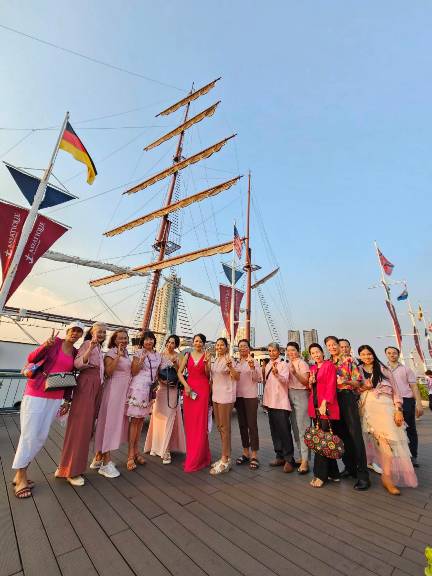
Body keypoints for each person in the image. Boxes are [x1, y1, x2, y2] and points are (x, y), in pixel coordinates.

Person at [12, 322, 84, 498]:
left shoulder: (75, 353)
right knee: (29, 435)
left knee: (41, 436)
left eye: (79, 332)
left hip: (55, 397)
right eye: (73, 330)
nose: (75, 334)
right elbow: (31, 358)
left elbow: (70, 376)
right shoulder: (54, 344)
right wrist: (45, 345)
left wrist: (67, 400)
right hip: (36, 393)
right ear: (67, 331)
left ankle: (20, 473)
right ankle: (20, 476)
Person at [358, 345, 417, 494]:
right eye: (363, 354)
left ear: (373, 354)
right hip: (369, 409)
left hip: (387, 408)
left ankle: (386, 475)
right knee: (382, 444)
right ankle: (387, 477)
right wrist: (364, 387)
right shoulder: (357, 370)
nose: (367, 357)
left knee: (391, 443)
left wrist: (398, 410)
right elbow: (354, 390)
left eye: (369, 354)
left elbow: (396, 391)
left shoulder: (383, 369)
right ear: (359, 356)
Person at [56, 322, 107, 486]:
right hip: (87, 385)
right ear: (92, 332)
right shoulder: (88, 344)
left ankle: (66, 466)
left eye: (104, 332)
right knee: (80, 428)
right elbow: (77, 364)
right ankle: (71, 470)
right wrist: (90, 348)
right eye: (99, 331)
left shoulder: (99, 348)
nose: (101, 334)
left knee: (86, 428)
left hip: (95, 386)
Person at [325, 336, 370, 490]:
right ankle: (350, 468)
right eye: (329, 345)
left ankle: (363, 475)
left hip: (347, 397)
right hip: (333, 401)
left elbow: (358, 382)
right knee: (341, 436)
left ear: (339, 346)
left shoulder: (349, 361)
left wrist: (345, 381)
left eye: (334, 344)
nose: (332, 347)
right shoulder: (327, 363)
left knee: (355, 436)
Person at [92, 329, 131, 478]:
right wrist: (118, 356)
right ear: (114, 340)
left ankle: (98, 457)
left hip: (122, 392)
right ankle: (106, 462)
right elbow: (108, 372)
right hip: (113, 391)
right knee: (109, 424)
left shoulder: (126, 353)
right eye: (120, 338)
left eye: (125, 338)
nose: (123, 340)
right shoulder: (111, 353)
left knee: (112, 423)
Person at [144, 334, 186, 464]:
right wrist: (161, 381)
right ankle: (155, 446)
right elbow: (155, 372)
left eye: (173, 343)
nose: (170, 344)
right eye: (169, 342)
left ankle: (166, 449)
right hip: (161, 389)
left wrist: (175, 365)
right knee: (158, 418)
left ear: (176, 345)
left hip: (172, 390)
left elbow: (181, 374)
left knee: (169, 419)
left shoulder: (179, 357)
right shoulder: (160, 355)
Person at [125, 330, 162, 471]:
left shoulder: (158, 355)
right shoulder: (138, 353)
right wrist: (140, 361)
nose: (149, 341)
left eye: (151, 339)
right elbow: (134, 371)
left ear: (154, 341)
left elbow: (158, 372)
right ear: (142, 341)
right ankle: (130, 455)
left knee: (140, 422)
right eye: (146, 339)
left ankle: (136, 452)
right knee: (135, 421)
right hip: (138, 388)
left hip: (149, 390)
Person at [177, 333, 212, 472]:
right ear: (193, 342)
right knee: (190, 424)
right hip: (189, 391)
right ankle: (192, 454)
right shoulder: (187, 355)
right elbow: (179, 373)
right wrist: (186, 386)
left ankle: (200, 456)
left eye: (200, 342)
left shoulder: (207, 356)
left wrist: (207, 364)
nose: (198, 343)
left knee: (201, 423)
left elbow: (208, 375)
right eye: (196, 341)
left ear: (203, 343)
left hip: (202, 390)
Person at [308, 343, 340, 488]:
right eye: (313, 353)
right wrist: (311, 382)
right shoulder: (313, 368)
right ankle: (334, 473)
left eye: (317, 351)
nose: (316, 355)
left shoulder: (329, 365)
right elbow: (312, 389)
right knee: (325, 439)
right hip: (315, 408)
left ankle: (320, 475)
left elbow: (331, 385)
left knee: (321, 441)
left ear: (322, 352)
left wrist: (324, 403)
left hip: (326, 408)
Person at [385, 346, 424, 467]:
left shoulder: (406, 369)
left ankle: (413, 456)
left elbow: (414, 387)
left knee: (410, 429)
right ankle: (398, 457)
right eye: (389, 353)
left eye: (394, 353)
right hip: (389, 402)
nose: (392, 355)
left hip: (406, 401)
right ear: (386, 355)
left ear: (398, 354)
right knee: (393, 430)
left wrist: (419, 404)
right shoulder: (382, 369)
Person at [263, 342, 295, 473]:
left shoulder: (284, 364)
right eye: (269, 351)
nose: (272, 353)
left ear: (279, 351)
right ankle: (279, 456)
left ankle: (289, 459)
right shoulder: (267, 365)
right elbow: (266, 384)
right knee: (274, 431)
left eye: (274, 351)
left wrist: (277, 374)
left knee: (284, 431)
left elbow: (286, 381)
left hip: (281, 402)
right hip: (270, 402)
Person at [210, 337, 239, 475]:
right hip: (216, 396)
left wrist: (231, 367)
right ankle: (226, 455)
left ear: (226, 347)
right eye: (218, 345)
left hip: (226, 397)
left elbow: (237, 377)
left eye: (222, 345)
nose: (219, 347)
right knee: (220, 427)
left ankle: (225, 459)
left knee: (225, 428)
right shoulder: (216, 360)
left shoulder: (230, 359)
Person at [234, 339, 262, 470]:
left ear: (249, 348)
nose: (242, 348)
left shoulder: (253, 361)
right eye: (240, 346)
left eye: (245, 346)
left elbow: (258, 379)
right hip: (239, 396)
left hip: (250, 396)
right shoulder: (236, 363)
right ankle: (245, 452)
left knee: (252, 425)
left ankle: (254, 455)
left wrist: (252, 368)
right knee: (242, 425)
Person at [286, 341, 311, 474]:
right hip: (290, 394)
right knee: (295, 428)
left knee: (303, 428)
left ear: (298, 351)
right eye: (288, 350)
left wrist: (295, 373)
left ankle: (306, 461)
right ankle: (302, 456)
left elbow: (306, 382)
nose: (290, 352)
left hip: (301, 394)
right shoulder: (287, 363)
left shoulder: (302, 363)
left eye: (293, 350)